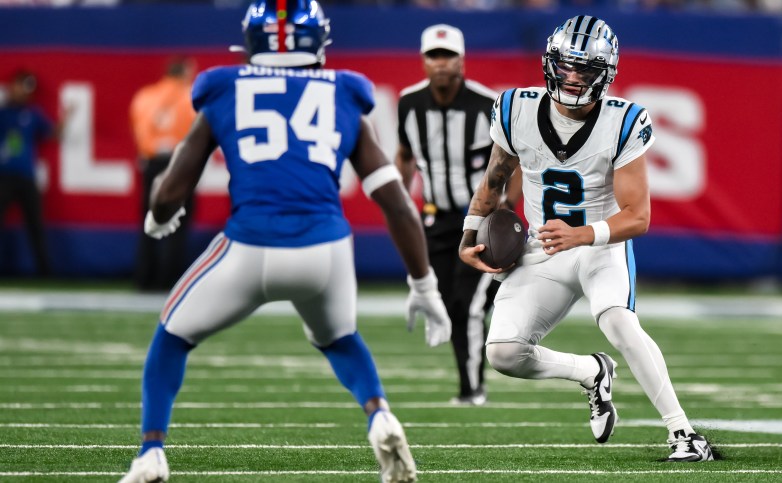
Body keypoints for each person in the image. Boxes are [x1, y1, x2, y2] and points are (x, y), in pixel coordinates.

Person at [118, 1, 451, 482]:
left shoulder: (223, 87)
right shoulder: (344, 94)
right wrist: (424, 287)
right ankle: (380, 414)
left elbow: (171, 190)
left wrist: (156, 219)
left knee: (171, 337)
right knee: (339, 338)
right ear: (317, 39)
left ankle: (151, 453)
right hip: (326, 251)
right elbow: (397, 204)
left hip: (249, 247)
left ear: (251, 41)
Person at [458, 16, 715, 462]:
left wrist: (584, 234)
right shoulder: (514, 108)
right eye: (566, 67)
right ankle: (591, 371)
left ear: (607, 75)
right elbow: (494, 180)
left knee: (618, 320)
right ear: (549, 65)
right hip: (544, 248)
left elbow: (638, 217)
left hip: (600, 246)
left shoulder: (623, 121)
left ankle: (685, 435)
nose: (574, 79)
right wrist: (469, 233)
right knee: (502, 353)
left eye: (586, 71)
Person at [395, 24, 521, 406]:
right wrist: (400, 202)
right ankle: (472, 379)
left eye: (448, 55)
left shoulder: (488, 103)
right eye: (434, 55)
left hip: (479, 221)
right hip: (434, 219)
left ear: (462, 60)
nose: (441, 63)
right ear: (423, 60)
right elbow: (403, 155)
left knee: (466, 305)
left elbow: (515, 164)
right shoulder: (409, 103)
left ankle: (472, 391)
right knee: (448, 303)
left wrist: (506, 210)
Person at [129, 56, 197, 291]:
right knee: (177, 224)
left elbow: (138, 129)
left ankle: (144, 278)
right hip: (180, 163)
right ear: (185, 72)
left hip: (152, 163)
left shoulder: (145, 96)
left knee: (150, 220)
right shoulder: (190, 95)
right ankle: (169, 280)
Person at [0, 70, 64, 277]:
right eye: (22, 85)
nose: (25, 91)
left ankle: (44, 271)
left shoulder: (33, 113)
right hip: (4, 176)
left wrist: (66, 119)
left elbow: (52, 133)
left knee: (36, 224)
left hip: (26, 176)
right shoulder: (3, 111)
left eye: (29, 88)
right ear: (13, 85)